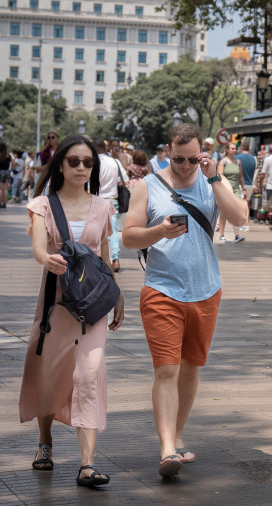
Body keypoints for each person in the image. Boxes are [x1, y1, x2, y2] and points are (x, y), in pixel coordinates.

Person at [122, 123, 248, 478]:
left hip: (206, 290)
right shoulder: (149, 185)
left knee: (191, 367)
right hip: (162, 290)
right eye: (178, 158)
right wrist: (159, 230)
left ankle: (176, 437)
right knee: (166, 369)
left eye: (192, 158)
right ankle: (166, 451)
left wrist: (214, 178)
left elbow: (240, 218)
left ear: (202, 152)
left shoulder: (211, 181)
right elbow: (129, 237)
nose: (185, 165)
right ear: (167, 151)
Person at [20, 134, 123, 487]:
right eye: (74, 161)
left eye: (88, 162)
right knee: (50, 372)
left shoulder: (103, 206)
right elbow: (38, 248)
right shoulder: (42, 206)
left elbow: (105, 255)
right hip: (56, 303)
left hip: (93, 304)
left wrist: (118, 296)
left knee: (89, 374)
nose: (81, 168)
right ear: (60, 163)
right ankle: (45, 442)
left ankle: (87, 463)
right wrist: (46, 258)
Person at [96, 139, 129, 273]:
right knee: (113, 230)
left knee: (96, 231)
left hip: (95, 200)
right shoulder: (114, 162)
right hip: (112, 200)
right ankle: (115, 259)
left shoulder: (91, 163)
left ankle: (98, 259)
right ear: (105, 148)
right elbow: (125, 180)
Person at [217, 142, 246, 243]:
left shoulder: (238, 162)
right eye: (232, 149)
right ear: (227, 150)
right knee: (223, 213)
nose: (234, 150)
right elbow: (219, 176)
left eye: (235, 149)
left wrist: (244, 188)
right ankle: (221, 235)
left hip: (236, 189)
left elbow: (241, 176)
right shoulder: (223, 162)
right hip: (225, 189)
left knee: (237, 210)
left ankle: (237, 235)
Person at [0, 142, 12, 208]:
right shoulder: (8, 155)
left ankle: (0, 203)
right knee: (6, 189)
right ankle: (4, 204)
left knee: (0, 189)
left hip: (0, 172)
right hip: (7, 172)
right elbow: (12, 163)